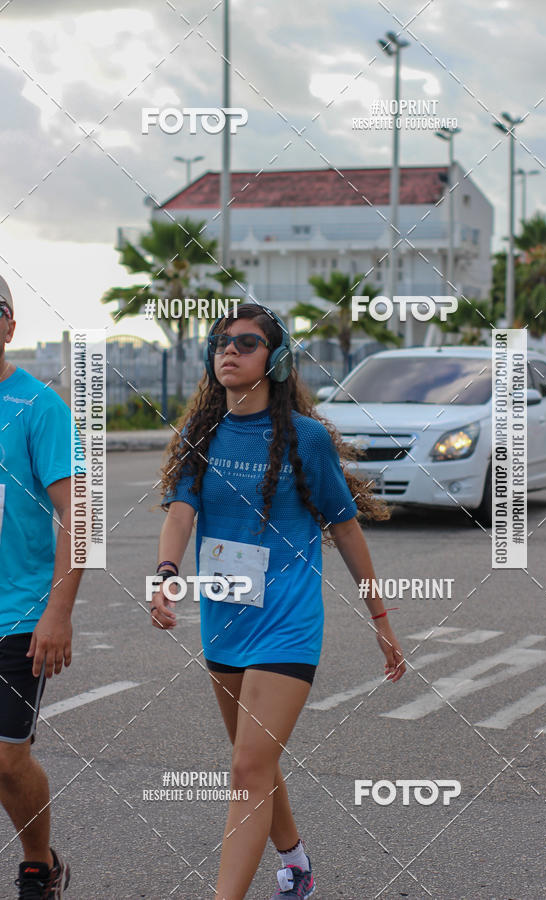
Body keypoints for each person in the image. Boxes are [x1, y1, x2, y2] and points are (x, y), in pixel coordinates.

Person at [153, 303, 406, 900]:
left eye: (245, 343)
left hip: (288, 624)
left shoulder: (307, 439)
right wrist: (164, 574)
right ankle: (294, 859)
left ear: (278, 360)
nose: (229, 352)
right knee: (254, 760)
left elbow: (346, 529)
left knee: (245, 769)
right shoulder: (202, 434)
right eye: (220, 342)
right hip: (224, 620)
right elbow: (182, 511)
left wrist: (381, 621)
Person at [0, 275, 84, 899]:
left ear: (8, 326)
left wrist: (58, 611)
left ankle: (39, 863)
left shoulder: (38, 408)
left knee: (5, 759)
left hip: (18, 613)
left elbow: (81, 515)